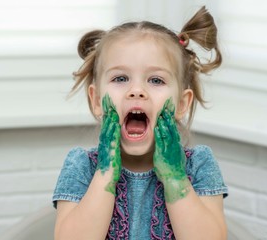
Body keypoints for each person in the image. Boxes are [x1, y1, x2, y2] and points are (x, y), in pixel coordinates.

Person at [53, 6, 228, 240]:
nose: (137, 91)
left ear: (182, 103)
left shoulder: (198, 166)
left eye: (156, 80)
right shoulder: (82, 166)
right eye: (120, 78)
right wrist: (104, 174)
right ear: (96, 100)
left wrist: (175, 177)